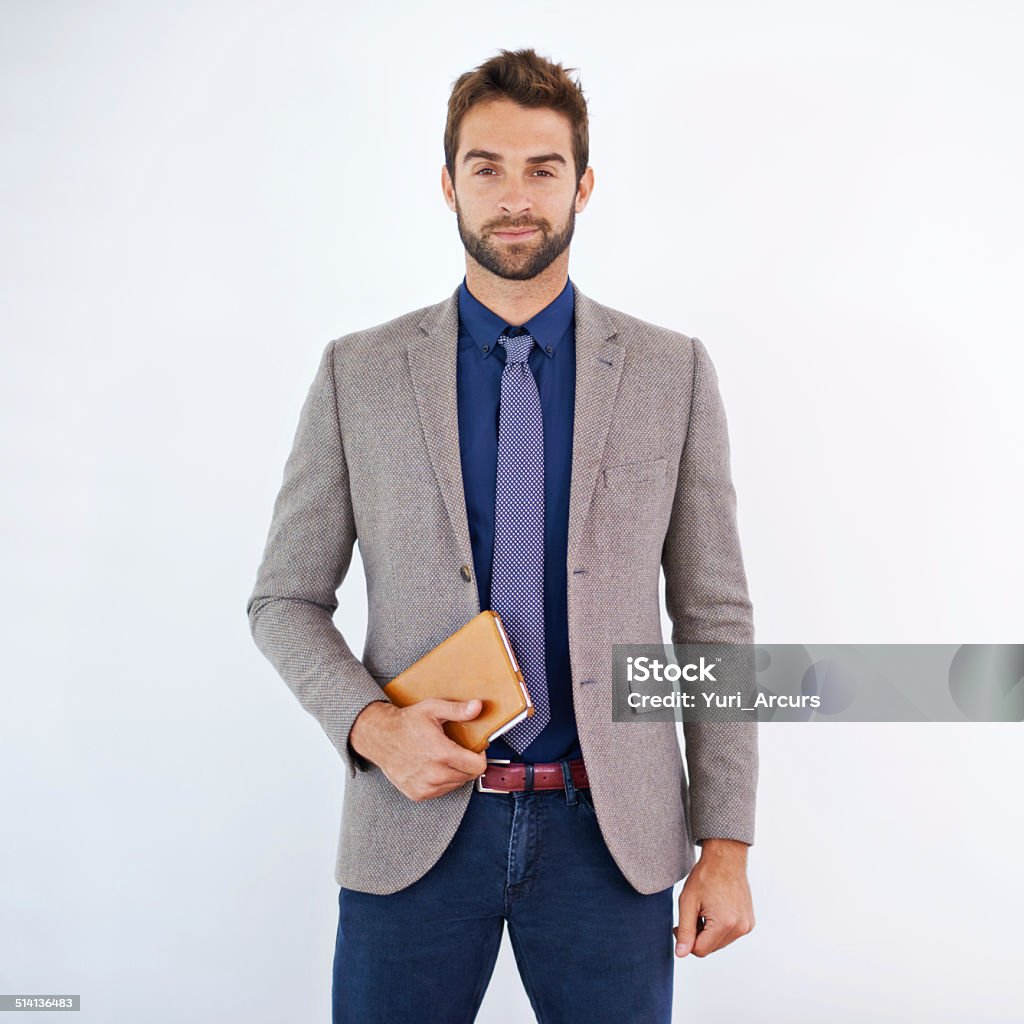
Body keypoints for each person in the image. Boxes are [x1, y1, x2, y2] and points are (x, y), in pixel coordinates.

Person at [246, 46, 758, 1024]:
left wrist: (725, 841)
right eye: (486, 167)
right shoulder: (358, 374)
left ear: (584, 184)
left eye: (542, 168)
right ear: (447, 184)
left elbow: (713, 618)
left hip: (609, 837)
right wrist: (370, 728)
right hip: (415, 825)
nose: (513, 196)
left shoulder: (671, 373)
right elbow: (283, 600)